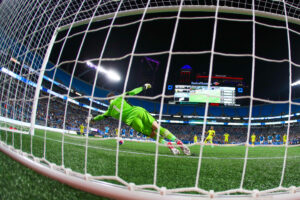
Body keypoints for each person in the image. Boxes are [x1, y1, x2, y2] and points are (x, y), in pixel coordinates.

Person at [89, 84, 190, 155]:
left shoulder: (109, 112)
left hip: (132, 121)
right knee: (157, 127)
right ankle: (179, 143)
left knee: (152, 135)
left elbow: (100, 117)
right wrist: (144, 86)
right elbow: (132, 92)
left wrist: (92, 119)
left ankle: (171, 147)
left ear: (108, 101)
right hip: (138, 111)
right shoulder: (119, 98)